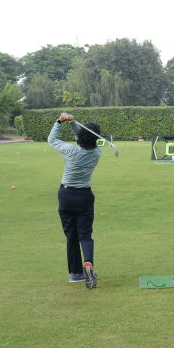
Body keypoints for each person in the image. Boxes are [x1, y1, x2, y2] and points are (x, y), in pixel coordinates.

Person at [48, 112, 102, 288]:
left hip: (66, 196)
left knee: (71, 236)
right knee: (85, 235)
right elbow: (83, 136)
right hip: (85, 196)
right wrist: (73, 123)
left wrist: (60, 121)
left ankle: (76, 273)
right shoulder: (97, 153)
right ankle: (88, 263)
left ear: (81, 136)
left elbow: (52, 139)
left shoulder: (71, 151)